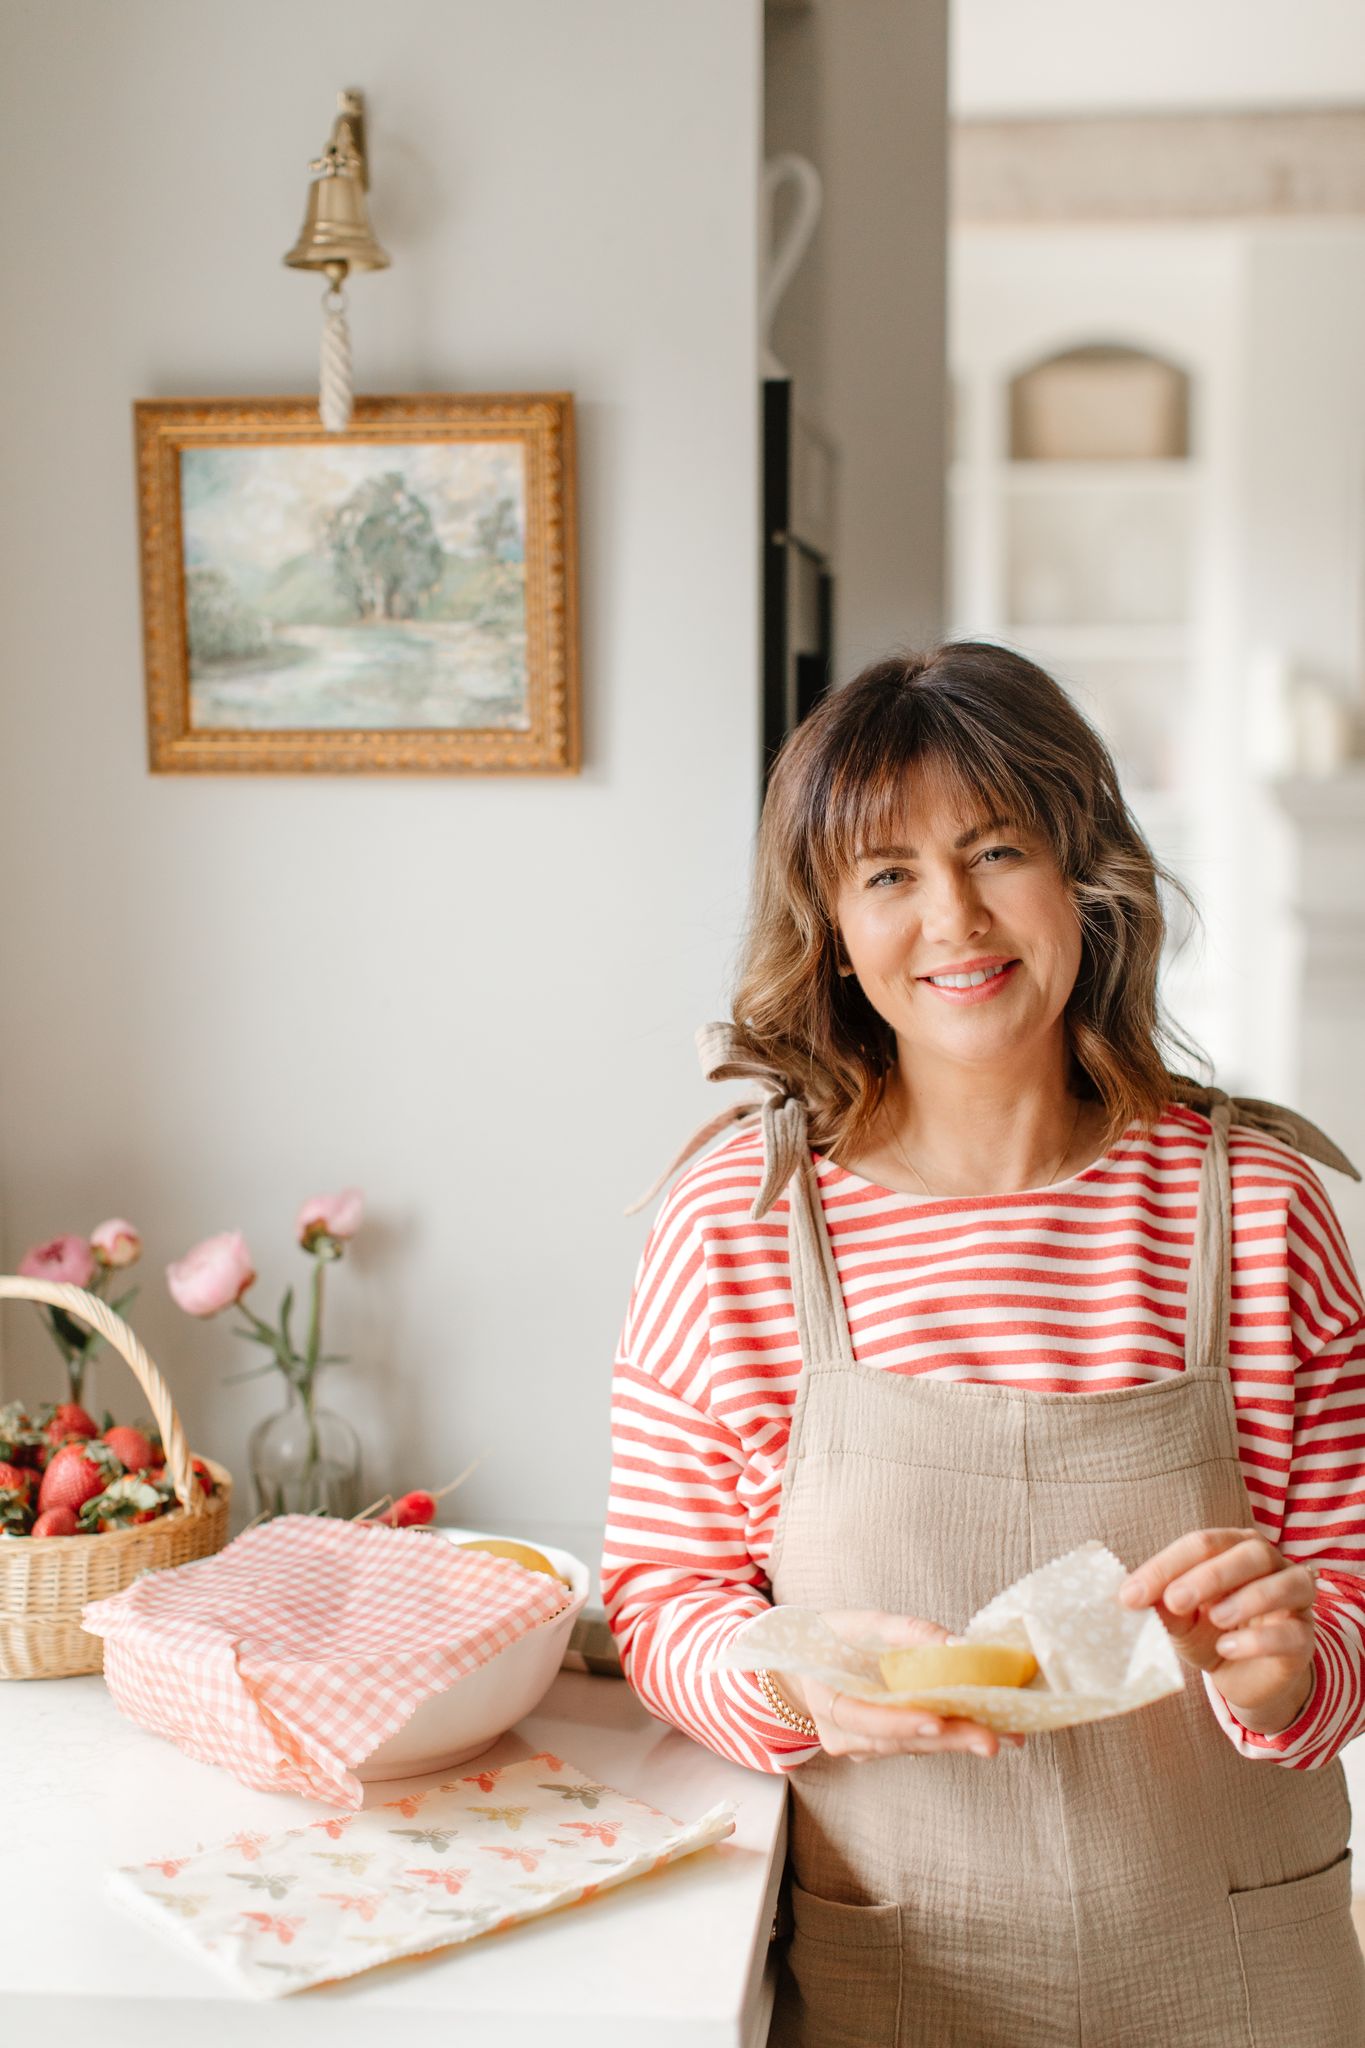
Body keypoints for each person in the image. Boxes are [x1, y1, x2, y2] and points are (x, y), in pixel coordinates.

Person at [602, 642, 1365, 2046]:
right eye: (886, 873)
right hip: (897, 1968)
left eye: (996, 849)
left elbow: (1350, 1602)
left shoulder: (1252, 1210)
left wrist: (1280, 1670)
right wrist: (793, 1686)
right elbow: (662, 1599)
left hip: (1245, 1971)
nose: (953, 918)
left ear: (1083, 871)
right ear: (829, 923)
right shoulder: (739, 1220)